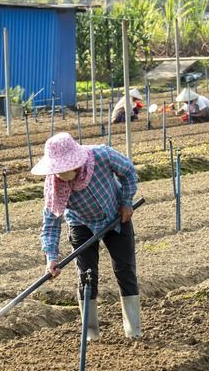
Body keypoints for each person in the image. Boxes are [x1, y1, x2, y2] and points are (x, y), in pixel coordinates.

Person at [31, 132, 141, 340]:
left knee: (125, 269)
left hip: (116, 215)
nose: (58, 173)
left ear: (75, 163)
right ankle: (90, 333)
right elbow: (51, 222)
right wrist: (51, 258)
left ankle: (133, 330)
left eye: (63, 168)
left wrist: (126, 202)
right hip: (81, 224)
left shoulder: (102, 156)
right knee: (86, 275)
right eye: (56, 169)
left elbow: (128, 171)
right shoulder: (54, 186)